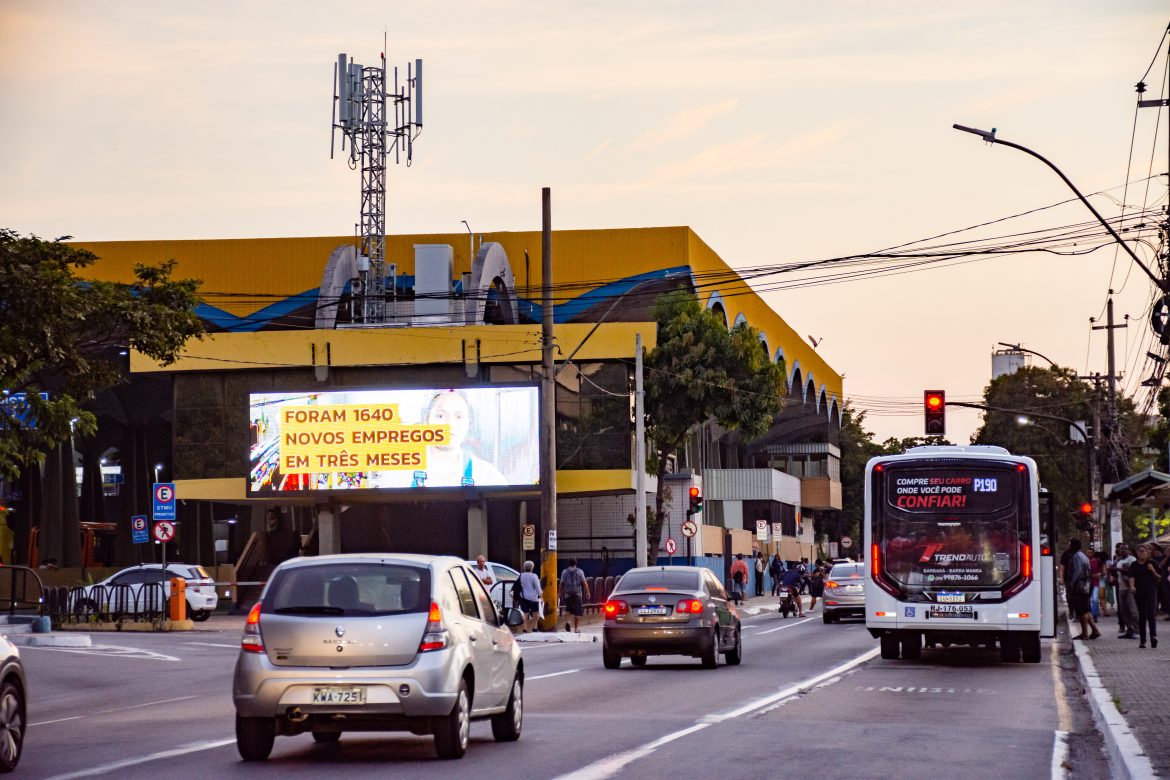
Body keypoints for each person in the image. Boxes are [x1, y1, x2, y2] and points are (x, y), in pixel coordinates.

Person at [1064, 539, 1100, 640]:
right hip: (1087, 585)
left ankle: (1084, 633)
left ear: (1073, 546)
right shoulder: (1084, 556)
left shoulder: (1076, 556)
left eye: (1070, 544)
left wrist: (1071, 583)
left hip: (1079, 587)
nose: (1069, 546)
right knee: (1086, 609)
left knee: (1082, 611)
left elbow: (1077, 571)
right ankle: (1095, 630)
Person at [1129, 544, 1160, 648]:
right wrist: (1132, 586)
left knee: (1151, 614)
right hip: (1139, 593)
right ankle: (1143, 641)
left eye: (1143, 551)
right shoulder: (1134, 565)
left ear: (1147, 553)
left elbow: (1159, 578)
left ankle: (1153, 636)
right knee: (1142, 616)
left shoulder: (1152, 563)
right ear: (1137, 553)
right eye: (1139, 551)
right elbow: (1131, 577)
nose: (1141, 553)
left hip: (1151, 591)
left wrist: (1152, 570)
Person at [560, 558, 591, 633]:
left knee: (568, 609)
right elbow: (584, 583)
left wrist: (559, 593)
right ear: (576, 563)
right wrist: (587, 592)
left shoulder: (564, 572)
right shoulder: (579, 571)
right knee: (577, 611)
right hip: (577, 594)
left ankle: (567, 622)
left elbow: (561, 583)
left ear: (569, 563)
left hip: (568, 594)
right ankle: (576, 629)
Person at [1115, 544, 1138, 639]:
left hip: (1129, 589)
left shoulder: (1132, 559)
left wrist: (1118, 569)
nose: (1123, 550)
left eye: (1125, 549)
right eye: (1121, 549)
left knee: (1133, 610)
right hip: (1121, 588)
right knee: (1123, 611)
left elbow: (1132, 572)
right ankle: (1129, 630)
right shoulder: (1119, 561)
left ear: (1128, 550)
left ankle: (1137, 630)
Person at [516, 560, 542, 633]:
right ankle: (534, 628)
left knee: (525, 613)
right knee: (535, 613)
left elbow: (518, 586)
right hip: (533, 598)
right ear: (532, 568)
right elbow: (537, 587)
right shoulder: (534, 576)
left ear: (524, 568)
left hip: (523, 597)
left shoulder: (521, 575)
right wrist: (540, 595)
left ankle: (525, 629)